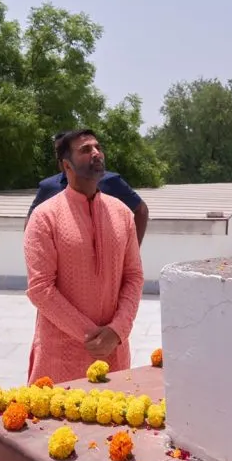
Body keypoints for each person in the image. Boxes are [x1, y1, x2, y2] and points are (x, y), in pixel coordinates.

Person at [24, 128, 144, 385]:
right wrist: (93, 336)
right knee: (55, 425)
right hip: (61, 356)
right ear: (66, 165)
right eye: (86, 150)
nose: (96, 153)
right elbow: (40, 289)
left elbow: (133, 276)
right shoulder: (45, 217)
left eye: (98, 147)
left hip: (114, 355)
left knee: (115, 423)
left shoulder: (122, 213)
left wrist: (117, 330)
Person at [25, 131, 149, 245]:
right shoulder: (48, 186)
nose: (95, 153)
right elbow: (32, 221)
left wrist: (132, 249)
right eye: (58, 151)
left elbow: (141, 210)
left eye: (98, 148)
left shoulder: (111, 182)